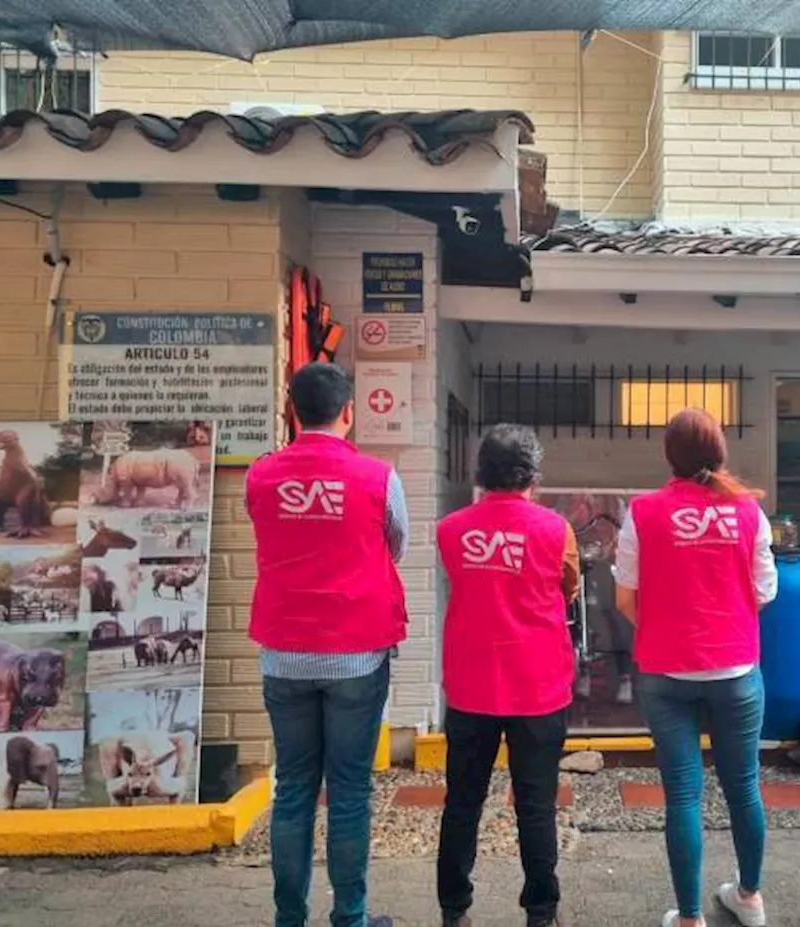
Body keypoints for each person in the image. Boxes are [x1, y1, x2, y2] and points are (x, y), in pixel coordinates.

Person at [246, 362, 407, 927]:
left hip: (283, 651)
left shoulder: (260, 475)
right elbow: (397, 543)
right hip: (356, 651)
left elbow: (264, 531)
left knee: (292, 788)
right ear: (349, 413)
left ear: (292, 411)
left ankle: (289, 919)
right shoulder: (378, 477)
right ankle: (351, 917)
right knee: (349, 791)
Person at [615, 408, 778, 927]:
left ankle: (688, 918)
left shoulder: (642, 512)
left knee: (683, 794)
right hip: (735, 670)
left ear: (669, 455)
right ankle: (749, 898)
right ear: (720, 452)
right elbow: (765, 591)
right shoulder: (750, 513)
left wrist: (666, 626)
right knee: (744, 785)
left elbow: (625, 600)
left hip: (666, 673)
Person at [435, 423, 579, 927]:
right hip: (537, 684)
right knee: (536, 804)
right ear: (532, 475)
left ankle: (455, 910)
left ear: (480, 473)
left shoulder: (450, 529)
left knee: (463, 803)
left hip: (471, 682)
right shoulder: (555, 529)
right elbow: (569, 587)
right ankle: (541, 911)